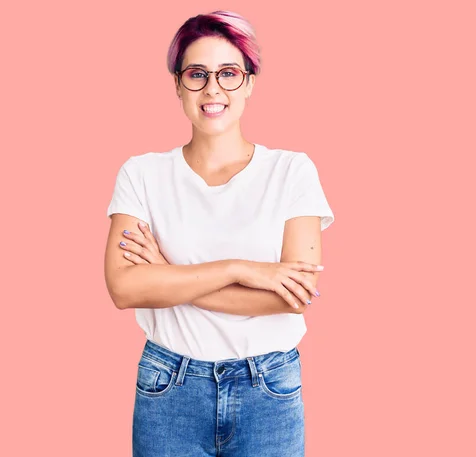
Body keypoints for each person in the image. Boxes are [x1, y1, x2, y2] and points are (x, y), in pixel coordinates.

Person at [104, 10, 334, 456]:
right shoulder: (142, 174)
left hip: (269, 388)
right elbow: (123, 287)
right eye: (197, 74)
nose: (213, 89)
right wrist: (242, 269)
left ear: (249, 82)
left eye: (229, 73)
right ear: (177, 84)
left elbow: (294, 296)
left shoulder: (292, 171)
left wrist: (168, 276)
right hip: (169, 387)